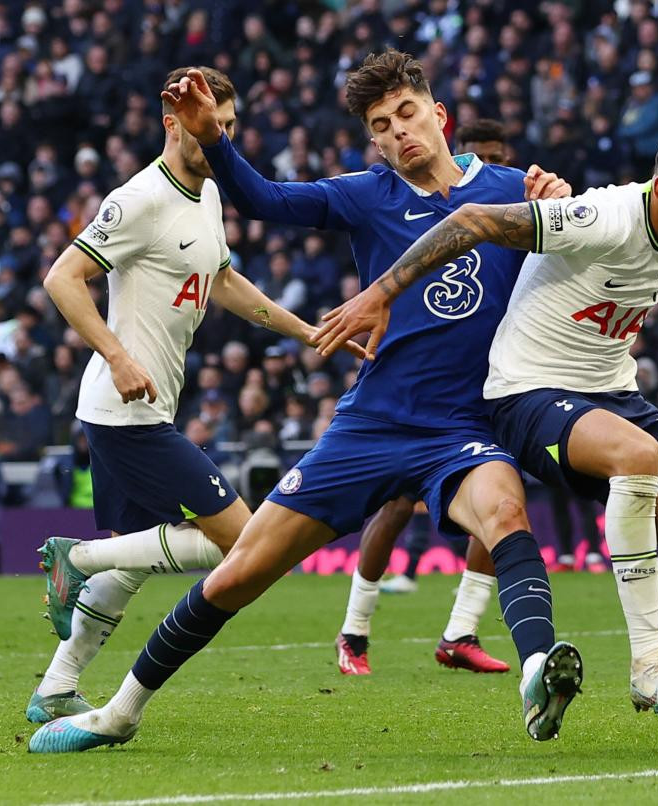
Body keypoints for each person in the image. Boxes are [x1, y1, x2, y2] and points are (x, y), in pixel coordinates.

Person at [30, 51, 582, 753]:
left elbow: (578, 259)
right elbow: (266, 201)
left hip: (463, 428)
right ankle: (119, 711)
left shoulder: (514, 192)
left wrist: (561, 206)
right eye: (382, 126)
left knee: (505, 511)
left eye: (408, 114)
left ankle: (538, 670)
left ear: (438, 116)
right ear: (374, 141)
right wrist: (218, 141)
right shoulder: (366, 194)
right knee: (242, 569)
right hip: (371, 426)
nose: (399, 132)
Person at [319, 120, 658, 744]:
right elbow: (469, 224)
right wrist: (382, 292)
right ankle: (649, 659)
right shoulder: (602, 216)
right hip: (526, 394)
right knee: (636, 454)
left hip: (613, 395)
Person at [28, 67, 361, 725]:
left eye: (230, 126)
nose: (222, 136)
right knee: (243, 542)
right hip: (123, 413)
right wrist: (117, 357)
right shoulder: (138, 199)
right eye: (213, 123)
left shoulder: (208, 194)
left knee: (130, 563)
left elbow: (225, 280)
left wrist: (306, 330)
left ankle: (55, 689)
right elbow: (62, 278)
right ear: (173, 122)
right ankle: (74, 556)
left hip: (149, 408)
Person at [337, 120, 525, 677]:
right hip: (416, 388)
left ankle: (461, 631)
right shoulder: (427, 214)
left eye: (498, 155)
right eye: (481, 154)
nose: (489, 162)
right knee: (395, 506)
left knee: (503, 501)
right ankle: (354, 631)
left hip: (490, 382)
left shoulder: (514, 203)